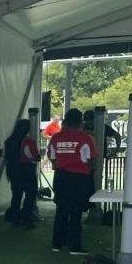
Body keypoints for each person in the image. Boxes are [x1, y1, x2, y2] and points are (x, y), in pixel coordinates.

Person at [47, 108, 96, 254]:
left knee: (61, 210)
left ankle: (57, 244)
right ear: (80, 121)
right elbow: (91, 159)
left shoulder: (56, 137)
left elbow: (52, 156)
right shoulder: (85, 138)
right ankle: (75, 246)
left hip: (61, 177)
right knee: (76, 212)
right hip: (79, 178)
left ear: (65, 121)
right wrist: (86, 170)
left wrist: (60, 165)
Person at [3, 119, 40, 228]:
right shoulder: (28, 141)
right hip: (26, 170)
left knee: (16, 195)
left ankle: (15, 218)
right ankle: (26, 217)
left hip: (13, 170)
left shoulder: (8, 141)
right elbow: (34, 157)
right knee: (31, 194)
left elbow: (5, 156)